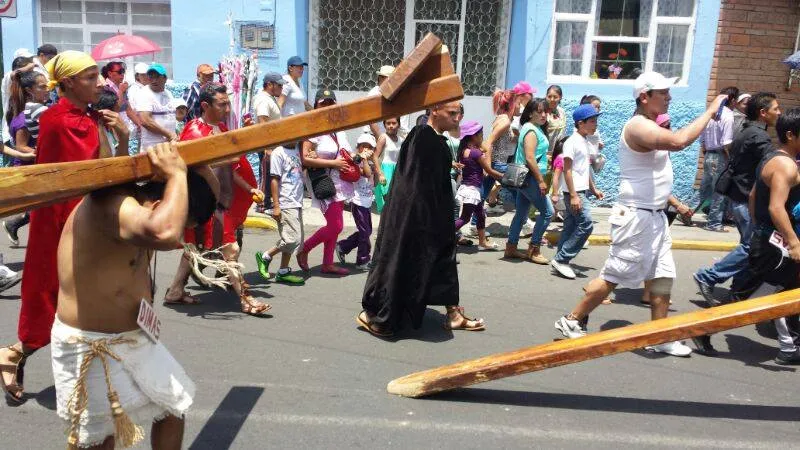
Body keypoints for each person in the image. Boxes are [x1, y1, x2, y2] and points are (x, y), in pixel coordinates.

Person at [52, 142, 213, 449]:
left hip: (134, 339)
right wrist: (178, 173)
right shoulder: (110, 205)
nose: (179, 235)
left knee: (171, 407)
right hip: (90, 345)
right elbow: (164, 232)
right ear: (158, 203)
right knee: (100, 439)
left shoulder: (143, 202)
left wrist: (194, 159)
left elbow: (209, 191)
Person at [554, 72, 727, 357]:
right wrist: (710, 110)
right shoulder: (636, 126)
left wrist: (674, 203)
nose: (669, 97)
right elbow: (679, 141)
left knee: (662, 275)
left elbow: (657, 175)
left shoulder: (648, 124)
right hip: (635, 218)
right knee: (614, 275)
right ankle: (571, 319)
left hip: (654, 217)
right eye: (664, 92)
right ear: (644, 96)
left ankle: (659, 336)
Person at [0, 50, 108, 404]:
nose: (100, 83)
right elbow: (85, 176)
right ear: (71, 82)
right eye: (91, 77)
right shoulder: (58, 120)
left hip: (86, 215)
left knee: (84, 300)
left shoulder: (88, 117)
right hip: (63, 219)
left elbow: (107, 167)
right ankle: (15, 353)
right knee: (55, 296)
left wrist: (117, 134)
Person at [356, 100, 486, 337]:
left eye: (459, 113)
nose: (458, 118)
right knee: (404, 263)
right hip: (417, 218)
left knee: (443, 262)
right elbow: (414, 185)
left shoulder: (433, 138)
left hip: (430, 217)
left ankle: (453, 313)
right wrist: (420, 220)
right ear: (435, 110)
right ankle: (379, 316)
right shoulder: (423, 137)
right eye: (453, 113)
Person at [721, 108, 800, 364]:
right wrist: (793, 241)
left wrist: (759, 229)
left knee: (784, 290)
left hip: (769, 238)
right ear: (791, 135)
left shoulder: (771, 158)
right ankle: (709, 327)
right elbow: (776, 206)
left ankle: (790, 345)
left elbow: (754, 195)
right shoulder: (785, 165)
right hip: (778, 244)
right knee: (770, 293)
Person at [693, 92, 780, 306]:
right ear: (763, 112)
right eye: (775, 108)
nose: (779, 112)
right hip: (745, 197)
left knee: (747, 244)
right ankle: (708, 276)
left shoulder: (747, 130)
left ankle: (737, 290)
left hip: (738, 195)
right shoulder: (759, 137)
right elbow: (774, 164)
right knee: (752, 245)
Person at [295, 89, 353, 276]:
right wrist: (333, 163)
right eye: (323, 103)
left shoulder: (339, 129)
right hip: (323, 181)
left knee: (335, 224)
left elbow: (345, 153)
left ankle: (328, 263)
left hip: (340, 181)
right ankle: (305, 248)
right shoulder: (312, 129)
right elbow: (305, 158)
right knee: (336, 226)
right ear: (316, 106)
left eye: (331, 102)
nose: (327, 106)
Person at [550, 104, 605, 279]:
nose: (595, 124)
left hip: (582, 191)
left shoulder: (585, 141)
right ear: (581, 123)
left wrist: (593, 188)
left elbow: (584, 169)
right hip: (574, 193)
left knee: (571, 226)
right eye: (592, 121)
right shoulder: (572, 142)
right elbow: (567, 170)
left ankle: (560, 260)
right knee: (586, 224)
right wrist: (573, 195)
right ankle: (562, 258)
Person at [2, 71, 48, 245]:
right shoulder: (25, 117)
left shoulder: (31, 111)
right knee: (42, 207)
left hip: (32, 165)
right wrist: (38, 152)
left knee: (41, 206)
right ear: (29, 90)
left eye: (48, 86)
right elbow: (20, 146)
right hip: (28, 166)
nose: (47, 90)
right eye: (42, 87)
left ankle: (14, 225)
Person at [506, 98, 554, 264]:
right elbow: (529, 157)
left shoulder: (532, 128)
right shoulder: (532, 130)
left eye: (545, 111)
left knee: (521, 214)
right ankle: (534, 249)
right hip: (531, 178)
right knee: (548, 212)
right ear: (531, 113)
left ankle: (511, 248)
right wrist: (541, 181)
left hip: (525, 178)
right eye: (539, 111)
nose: (543, 114)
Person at [254, 142, 306, 285]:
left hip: (297, 201)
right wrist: (276, 205)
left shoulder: (297, 149)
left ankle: (283, 271)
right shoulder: (278, 152)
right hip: (285, 202)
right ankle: (265, 256)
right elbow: (274, 180)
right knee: (292, 239)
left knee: (292, 237)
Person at [453, 120, 502, 251]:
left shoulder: (464, 151)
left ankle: (482, 242)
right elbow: (490, 171)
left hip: (468, 187)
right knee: (465, 218)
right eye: (481, 135)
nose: (483, 137)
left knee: (480, 214)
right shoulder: (476, 153)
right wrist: (505, 177)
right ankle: (442, 236)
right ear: (474, 136)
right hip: (473, 189)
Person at [697, 86, 738, 232]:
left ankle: (687, 211)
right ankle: (714, 223)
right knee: (719, 191)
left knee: (705, 188)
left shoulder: (712, 114)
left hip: (709, 154)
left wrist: (707, 152)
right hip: (720, 156)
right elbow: (727, 143)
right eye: (736, 100)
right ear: (732, 100)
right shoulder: (728, 116)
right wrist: (730, 160)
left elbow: (702, 138)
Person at [337, 134, 379, 269]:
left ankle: (343, 246)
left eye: (369, 147)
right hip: (357, 201)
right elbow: (366, 173)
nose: (366, 149)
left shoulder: (373, 161)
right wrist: (365, 160)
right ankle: (362, 260)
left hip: (367, 201)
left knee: (367, 231)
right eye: (363, 146)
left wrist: (375, 163)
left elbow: (375, 181)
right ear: (358, 147)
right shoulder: (355, 160)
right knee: (364, 232)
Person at [253, 72, 286, 211]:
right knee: (265, 174)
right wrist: (267, 147)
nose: (281, 88)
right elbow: (263, 122)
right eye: (279, 85)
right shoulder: (263, 99)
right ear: (269, 85)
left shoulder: (270, 98)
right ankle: (261, 204)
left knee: (270, 173)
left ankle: (266, 201)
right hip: (267, 146)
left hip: (273, 145)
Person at [482, 89, 518, 214]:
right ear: (512, 104)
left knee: (483, 193)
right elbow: (489, 142)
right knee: (519, 191)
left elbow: (499, 140)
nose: (519, 107)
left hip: (495, 163)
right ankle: (524, 222)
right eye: (518, 103)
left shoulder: (501, 118)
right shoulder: (505, 121)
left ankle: (475, 223)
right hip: (498, 164)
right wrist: (487, 166)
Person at [362, 65, 410, 138]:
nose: (382, 80)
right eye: (381, 77)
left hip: (395, 138)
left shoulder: (401, 97)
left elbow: (403, 127)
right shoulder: (373, 94)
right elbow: (371, 122)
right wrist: (381, 140)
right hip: (372, 136)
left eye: (385, 78)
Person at [137, 63, 177, 152]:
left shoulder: (168, 94)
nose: (154, 80)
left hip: (169, 145)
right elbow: (145, 121)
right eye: (151, 77)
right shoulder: (144, 93)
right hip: (152, 147)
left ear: (165, 78)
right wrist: (169, 134)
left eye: (157, 77)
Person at [2, 53, 36, 146]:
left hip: (27, 132)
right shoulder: (8, 80)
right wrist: (32, 65)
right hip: (11, 134)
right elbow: (15, 74)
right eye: (29, 70)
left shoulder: (29, 85)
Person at [372, 117, 404, 213]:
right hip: (386, 170)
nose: (391, 126)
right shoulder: (383, 138)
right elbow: (375, 157)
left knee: (397, 202)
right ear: (384, 125)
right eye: (388, 123)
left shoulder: (401, 140)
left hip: (397, 171)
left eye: (394, 123)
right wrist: (380, 174)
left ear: (399, 124)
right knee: (387, 201)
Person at [101, 61, 141, 134]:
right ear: (110, 73)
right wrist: (121, 91)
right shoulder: (104, 87)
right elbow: (114, 110)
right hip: (112, 129)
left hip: (124, 126)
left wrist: (139, 124)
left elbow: (128, 109)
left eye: (123, 71)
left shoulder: (121, 87)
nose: (122, 74)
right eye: (119, 72)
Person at [545, 85, 567, 152]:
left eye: (555, 97)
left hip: (558, 151)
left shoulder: (562, 112)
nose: (552, 99)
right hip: (544, 151)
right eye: (549, 96)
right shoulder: (543, 113)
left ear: (560, 97)